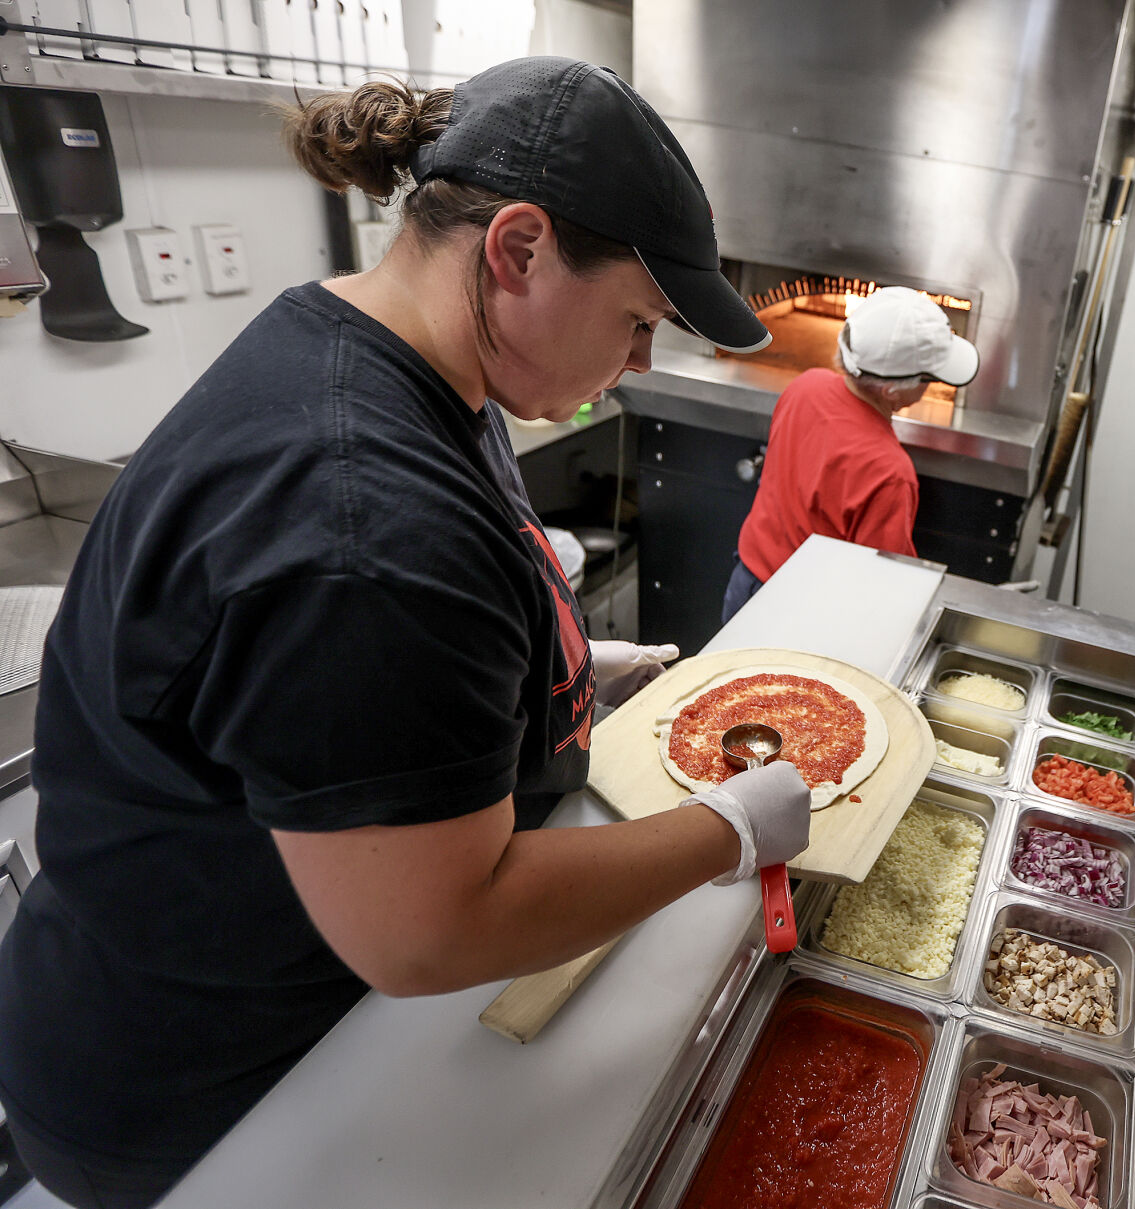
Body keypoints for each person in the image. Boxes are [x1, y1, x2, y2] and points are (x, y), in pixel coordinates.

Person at [0, 60, 811, 1209]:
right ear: (517, 250)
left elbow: (373, 697)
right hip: (203, 1097)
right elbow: (434, 930)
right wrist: (727, 832)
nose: (637, 364)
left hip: (283, 1010)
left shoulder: (406, 364)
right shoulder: (362, 525)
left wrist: (557, 675)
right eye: (637, 319)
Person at [722, 286, 979, 622]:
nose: (931, 387)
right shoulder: (890, 471)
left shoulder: (805, 386)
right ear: (892, 389)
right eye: (930, 380)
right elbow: (882, 581)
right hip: (801, 613)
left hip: (746, 581)